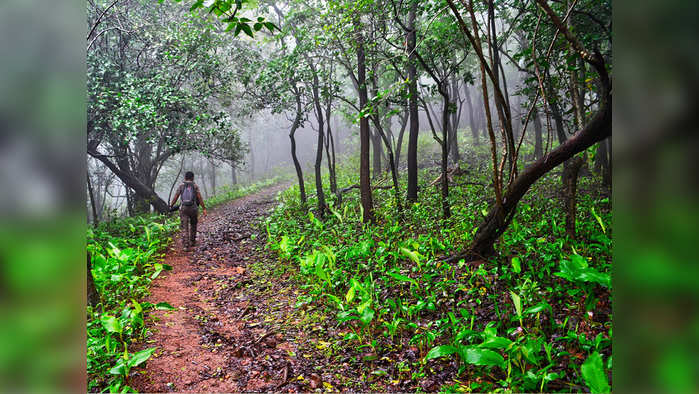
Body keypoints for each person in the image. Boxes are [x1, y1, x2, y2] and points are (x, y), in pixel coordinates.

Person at [170, 171, 207, 249]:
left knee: (184, 226)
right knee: (193, 224)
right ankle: (192, 241)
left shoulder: (181, 186)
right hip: (193, 208)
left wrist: (171, 205)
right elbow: (199, 197)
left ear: (185, 177)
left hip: (183, 209)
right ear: (192, 177)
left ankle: (186, 245)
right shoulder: (195, 186)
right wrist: (204, 208)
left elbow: (176, 196)